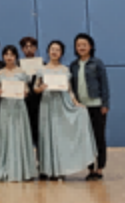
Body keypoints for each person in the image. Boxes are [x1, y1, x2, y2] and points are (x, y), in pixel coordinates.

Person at [34, 41, 98, 182]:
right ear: (48, 51)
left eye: (57, 50)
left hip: (62, 103)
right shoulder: (41, 70)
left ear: (61, 53)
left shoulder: (65, 70)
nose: (54, 52)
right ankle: (48, 170)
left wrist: (76, 103)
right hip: (47, 104)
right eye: (52, 49)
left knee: (60, 137)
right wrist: (41, 88)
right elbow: (35, 88)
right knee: (48, 136)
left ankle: (61, 169)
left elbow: (69, 90)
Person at [0, 46, 37, 183]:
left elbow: (27, 89)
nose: (9, 57)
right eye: (6, 54)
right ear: (3, 57)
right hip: (5, 107)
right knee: (5, 136)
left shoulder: (22, 72)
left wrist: (25, 92)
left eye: (12, 55)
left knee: (20, 135)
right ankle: (5, 169)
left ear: (16, 57)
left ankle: (23, 170)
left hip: (19, 107)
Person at [70, 34, 110, 181]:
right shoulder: (73, 65)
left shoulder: (97, 63)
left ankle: (99, 168)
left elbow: (104, 84)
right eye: (78, 45)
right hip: (82, 107)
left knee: (99, 137)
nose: (81, 47)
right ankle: (91, 168)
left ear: (90, 46)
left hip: (97, 106)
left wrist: (105, 104)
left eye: (84, 45)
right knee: (86, 139)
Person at [20, 37, 42, 154]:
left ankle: (41, 158)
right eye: (25, 47)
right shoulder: (17, 66)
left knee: (40, 132)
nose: (28, 49)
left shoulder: (42, 65)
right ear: (22, 49)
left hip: (39, 102)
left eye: (31, 46)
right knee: (26, 132)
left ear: (35, 48)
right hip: (23, 103)